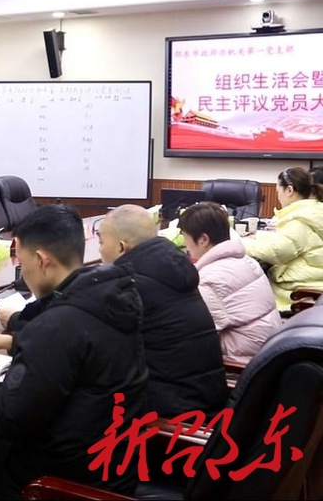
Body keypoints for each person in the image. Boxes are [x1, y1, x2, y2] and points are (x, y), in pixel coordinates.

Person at [0, 205, 148, 498]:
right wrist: (10, 341)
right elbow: (76, 351)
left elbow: (4, 417)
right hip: (111, 467)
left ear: (41, 260)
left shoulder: (57, 325)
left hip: (61, 482)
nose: (22, 272)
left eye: (22, 262)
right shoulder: (108, 298)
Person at [96, 204, 227, 417]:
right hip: (206, 400)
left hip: (169, 418)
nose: (99, 250)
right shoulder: (172, 271)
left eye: (101, 242)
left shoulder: (130, 287)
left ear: (121, 247)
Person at [178, 202, 280, 361]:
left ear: (203, 239)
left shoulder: (209, 280)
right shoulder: (248, 261)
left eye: (185, 237)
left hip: (240, 365)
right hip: (267, 353)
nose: (185, 244)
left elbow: (194, 334)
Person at [244, 166, 323, 311]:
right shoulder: (314, 211)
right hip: (314, 283)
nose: (278, 196)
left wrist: (239, 243)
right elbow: (293, 242)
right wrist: (257, 237)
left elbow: (274, 253)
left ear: (289, 190)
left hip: (298, 294)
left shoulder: (300, 221)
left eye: (277, 191)